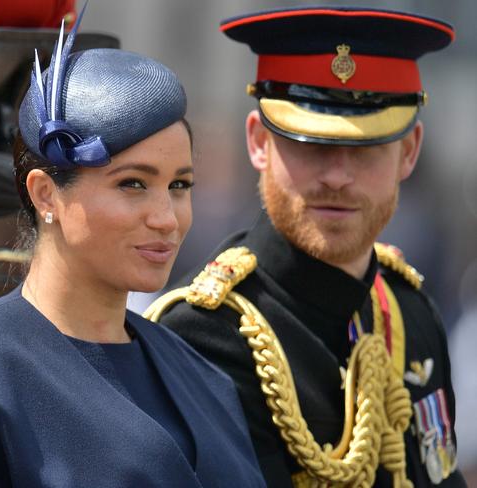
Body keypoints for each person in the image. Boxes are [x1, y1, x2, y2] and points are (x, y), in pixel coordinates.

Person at [0, 8, 266, 488]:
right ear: (46, 193)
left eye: (179, 185)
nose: (166, 218)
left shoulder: (199, 376)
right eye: (132, 184)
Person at [150, 6, 467, 488]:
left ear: (408, 153)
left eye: (365, 149)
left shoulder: (412, 315)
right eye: (312, 145)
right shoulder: (203, 335)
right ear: (258, 142)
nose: (338, 177)